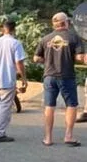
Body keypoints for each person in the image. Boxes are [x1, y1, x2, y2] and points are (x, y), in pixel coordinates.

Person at [34, 12, 86, 146]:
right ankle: (68, 136)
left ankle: (48, 138)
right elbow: (80, 57)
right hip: (66, 76)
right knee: (71, 105)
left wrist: (49, 59)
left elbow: (36, 58)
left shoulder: (45, 39)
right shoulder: (74, 37)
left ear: (54, 24)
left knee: (49, 106)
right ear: (66, 23)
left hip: (49, 76)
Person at [0, 20, 28, 143]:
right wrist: (23, 78)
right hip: (7, 80)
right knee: (5, 107)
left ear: (3, 29)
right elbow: (19, 62)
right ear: (14, 30)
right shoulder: (15, 43)